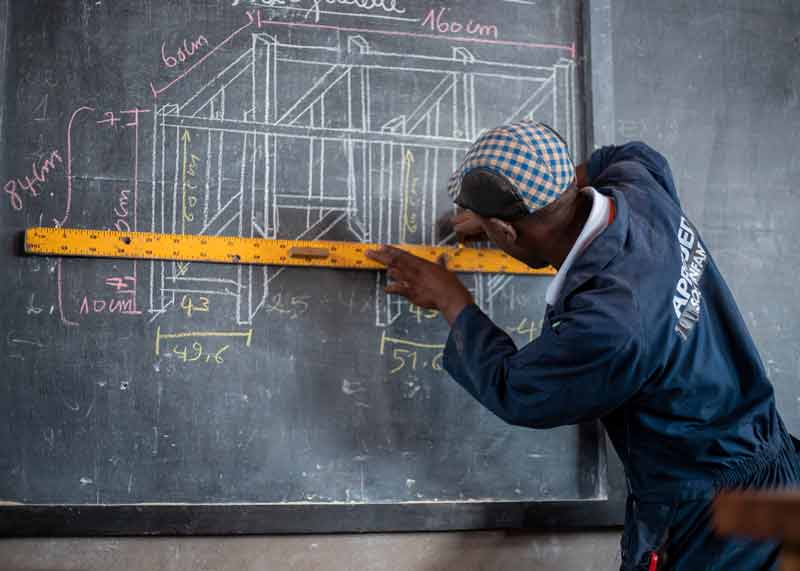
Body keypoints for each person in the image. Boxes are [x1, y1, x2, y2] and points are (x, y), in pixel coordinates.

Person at [366, 120, 800, 570]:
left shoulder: (610, 321)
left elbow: (519, 390)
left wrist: (450, 298)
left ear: (507, 233)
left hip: (713, 524)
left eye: (495, 229)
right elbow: (631, 154)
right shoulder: (640, 192)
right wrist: (516, 207)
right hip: (776, 472)